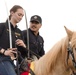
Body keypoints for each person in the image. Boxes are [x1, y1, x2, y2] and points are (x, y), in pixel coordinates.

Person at [0, 5, 26, 75]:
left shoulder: (19, 32)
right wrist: (4, 51)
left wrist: (23, 45)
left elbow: (24, 52)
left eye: (22, 16)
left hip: (13, 62)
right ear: (12, 13)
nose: (21, 17)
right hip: (2, 59)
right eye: (19, 14)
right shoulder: (2, 26)